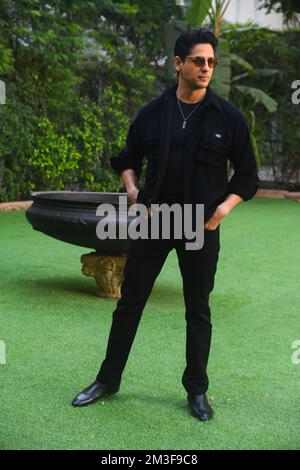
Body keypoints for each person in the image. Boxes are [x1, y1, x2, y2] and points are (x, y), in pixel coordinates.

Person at [72, 28, 259, 421]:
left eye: (211, 61)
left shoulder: (228, 117)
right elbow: (126, 158)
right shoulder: (153, 115)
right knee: (130, 304)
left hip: (199, 227)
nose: (206, 67)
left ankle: (197, 391)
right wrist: (134, 191)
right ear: (179, 64)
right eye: (198, 61)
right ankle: (107, 380)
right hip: (153, 222)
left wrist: (223, 209)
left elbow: (247, 176)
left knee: (198, 310)